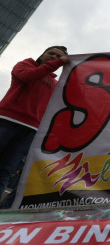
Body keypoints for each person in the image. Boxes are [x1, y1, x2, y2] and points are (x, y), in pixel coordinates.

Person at [0, 46, 69, 208]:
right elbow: (27, 77)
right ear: (42, 55)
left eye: (58, 56)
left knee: (5, 171)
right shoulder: (25, 65)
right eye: (51, 53)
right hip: (6, 121)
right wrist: (59, 62)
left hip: (31, 130)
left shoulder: (55, 83)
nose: (53, 57)